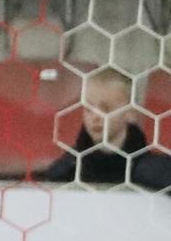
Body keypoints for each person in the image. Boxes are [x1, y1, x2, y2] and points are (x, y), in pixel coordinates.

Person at [37, 66, 171, 187]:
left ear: (130, 112)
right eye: (88, 108)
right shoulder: (65, 171)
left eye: (106, 108)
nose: (95, 117)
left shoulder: (158, 174)